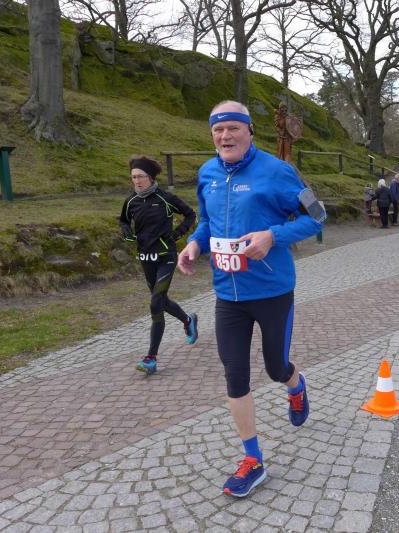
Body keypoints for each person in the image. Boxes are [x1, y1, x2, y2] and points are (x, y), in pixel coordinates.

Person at [177, 100, 325, 498]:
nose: (225, 136)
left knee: (276, 367)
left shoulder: (278, 171)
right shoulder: (207, 173)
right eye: (218, 130)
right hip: (227, 294)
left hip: (272, 291)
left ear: (249, 131)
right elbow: (207, 222)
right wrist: (194, 244)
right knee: (235, 375)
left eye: (232, 128)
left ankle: (295, 385)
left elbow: (317, 216)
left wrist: (273, 236)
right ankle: (253, 459)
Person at [119, 156, 198, 375]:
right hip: (145, 258)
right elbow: (123, 220)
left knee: (156, 303)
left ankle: (151, 358)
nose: (137, 181)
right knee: (161, 301)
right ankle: (188, 320)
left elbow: (190, 214)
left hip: (166, 257)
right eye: (133, 177)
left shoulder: (165, 198)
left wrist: (177, 234)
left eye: (140, 176)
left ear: (151, 177)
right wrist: (126, 232)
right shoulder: (131, 201)